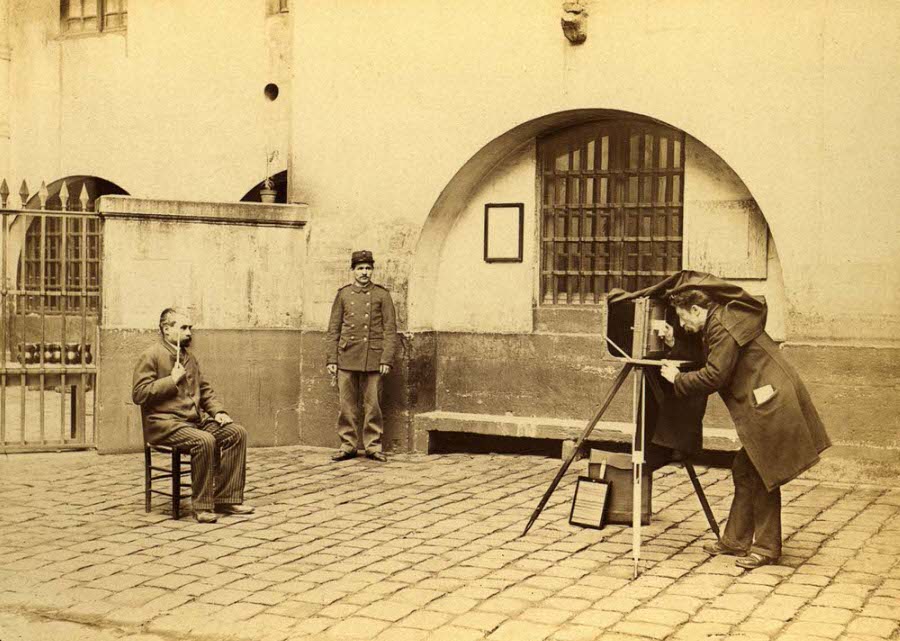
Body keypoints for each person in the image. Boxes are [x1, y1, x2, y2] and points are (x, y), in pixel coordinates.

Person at [659, 286, 830, 569]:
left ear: (697, 310)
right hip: (767, 395)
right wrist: (671, 342)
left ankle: (766, 548)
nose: (682, 324)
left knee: (764, 471)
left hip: (771, 399)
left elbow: (715, 374)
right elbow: (710, 358)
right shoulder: (719, 320)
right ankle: (735, 540)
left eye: (682, 318)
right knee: (744, 467)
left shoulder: (722, 327)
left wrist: (678, 380)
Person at [133, 308, 254, 523]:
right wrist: (171, 380)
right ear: (167, 329)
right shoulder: (151, 355)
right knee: (205, 440)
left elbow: (205, 390)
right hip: (164, 424)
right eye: (184, 328)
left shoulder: (189, 357)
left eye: (190, 328)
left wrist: (219, 412)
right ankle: (203, 506)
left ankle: (227, 498)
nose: (189, 333)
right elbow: (139, 394)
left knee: (237, 433)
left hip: (192, 422)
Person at [326, 250, 398, 462]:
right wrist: (332, 359)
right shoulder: (344, 295)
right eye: (360, 269)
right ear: (353, 271)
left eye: (368, 268)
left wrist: (386, 359)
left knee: (373, 405)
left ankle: (373, 446)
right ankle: (347, 445)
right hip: (347, 357)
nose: (364, 273)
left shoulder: (382, 295)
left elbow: (390, 330)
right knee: (346, 405)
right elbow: (334, 329)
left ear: (372, 270)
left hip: (373, 359)